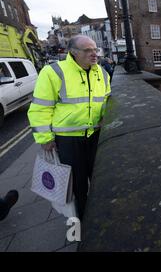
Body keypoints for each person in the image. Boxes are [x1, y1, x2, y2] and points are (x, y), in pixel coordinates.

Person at [28, 35, 111, 220]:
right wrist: (45, 138)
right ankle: (82, 221)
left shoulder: (103, 74)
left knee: (100, 179)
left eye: (95, 49)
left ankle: (102, 216)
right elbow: (40, 108)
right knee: (77, 184)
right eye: (87, 50)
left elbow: (106, 101)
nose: (94, 54)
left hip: (96, 135)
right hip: (68, 140)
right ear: (73, 52)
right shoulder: (53, 72)